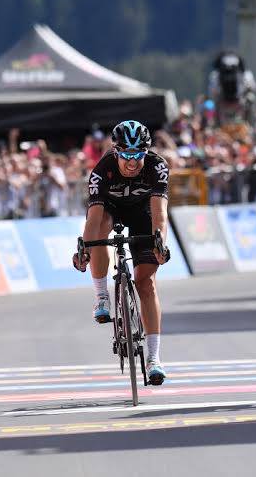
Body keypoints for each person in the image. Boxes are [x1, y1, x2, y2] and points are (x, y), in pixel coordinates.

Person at [72, 120, 171, 385]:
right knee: (101, 229)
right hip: (110, 210)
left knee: (145, 282)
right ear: (115, 152)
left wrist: (160, 244)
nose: (132, 162)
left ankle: (154, 359)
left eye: (138, 155)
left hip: (144, 213)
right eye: (126, 155)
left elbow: (160, 215)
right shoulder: (101, 171)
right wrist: (84, 248)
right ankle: (102, 296)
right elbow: (92, 222)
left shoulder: (156, 166)